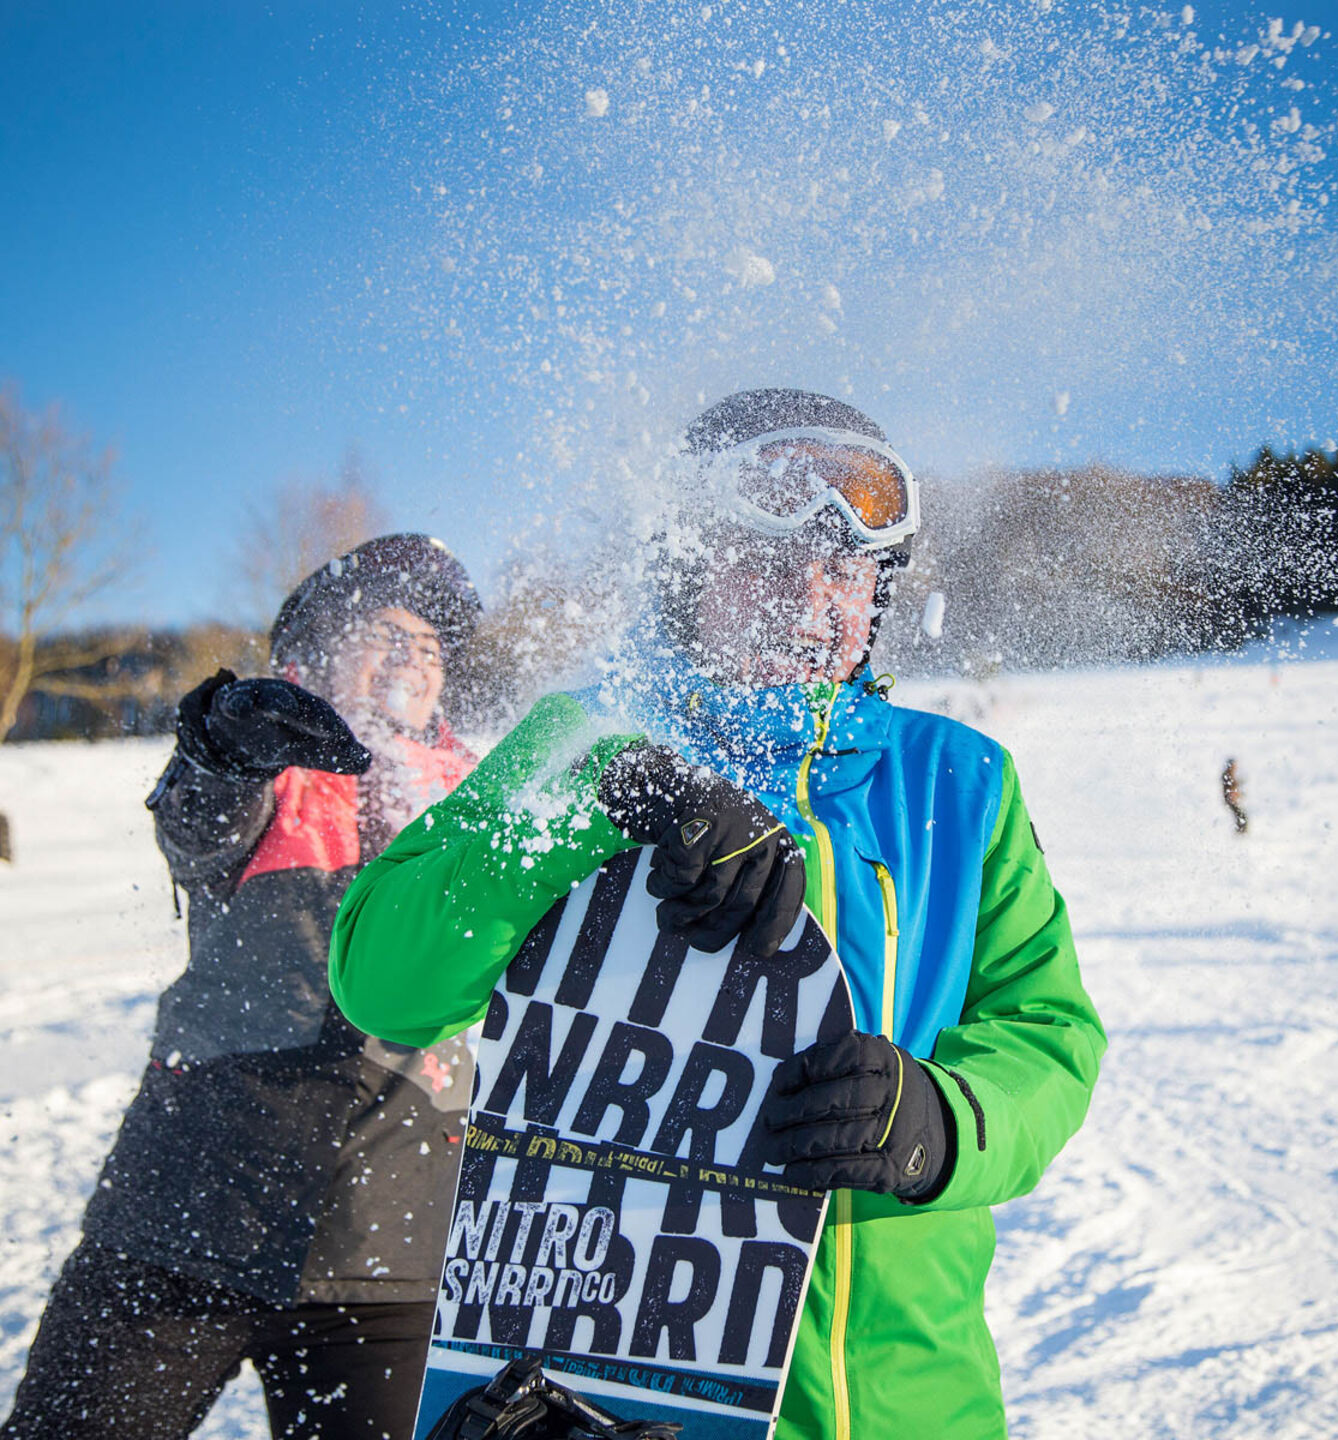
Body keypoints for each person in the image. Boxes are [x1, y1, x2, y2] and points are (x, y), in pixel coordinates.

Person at [328, 390, 1107, 1439]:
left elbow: (1048, 1034)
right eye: (767, 559)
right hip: (621, 1394)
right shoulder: (583, 741)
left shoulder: (957, 785)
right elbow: (387, 983)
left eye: (845, 569)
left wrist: (942, 1119)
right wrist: (599, 795)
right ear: (685, 570)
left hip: (914, 1398)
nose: (810, 596)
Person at [0, 535, 484, 1440]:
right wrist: (221, 750)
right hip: (184, 1217)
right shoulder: (267, 769)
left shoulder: (484, 808)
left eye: (430, 643)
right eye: (386, 630)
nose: (414, 654)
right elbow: (195, 825)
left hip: (392, 1245)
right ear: (317, 651)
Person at [1221, 757, 1249, 834]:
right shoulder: (1227, 775)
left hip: (1231, 799)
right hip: (1230, 799)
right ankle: (1240, 832)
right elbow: (1231, 787)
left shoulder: (1229, 775)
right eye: (1234, 766)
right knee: (1241, 816)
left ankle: (1240, 831)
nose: (1236, 768)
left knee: (1240, 815)